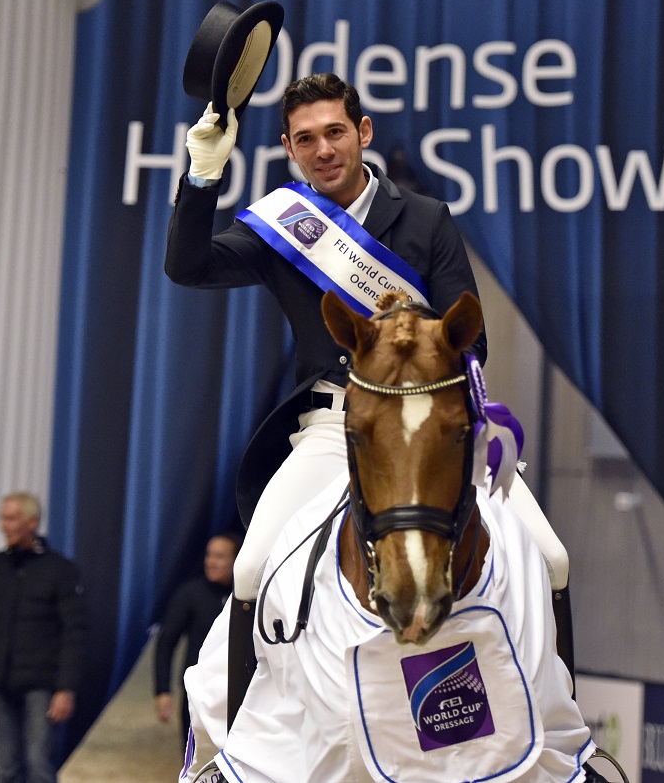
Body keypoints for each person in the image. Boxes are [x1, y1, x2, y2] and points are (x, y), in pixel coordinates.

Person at [165, 73, 567, 780]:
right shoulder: (284, 226)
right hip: (334, 428)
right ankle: (228, 750)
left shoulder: (426, 219)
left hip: (431, 421)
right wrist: (203, 173)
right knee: (254, 564)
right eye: (307, 139)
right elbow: (188, 266)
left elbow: (468, 339)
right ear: (289, 148)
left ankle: (563, 739)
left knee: (552, 554)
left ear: (363, 133)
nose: (324, 149)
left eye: (335, 132)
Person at [0, 491, 88, 783]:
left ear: (32, 522)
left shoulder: (60, 570)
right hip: (0, 682)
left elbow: (74, 632)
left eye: (12, 518)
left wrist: (65, 688)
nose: (4, 525)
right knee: (7, 766)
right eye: (2, 518)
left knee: (37, 764)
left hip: (42, 685)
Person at [153, 532, 240, 745]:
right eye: (209, 555)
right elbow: (166, 642)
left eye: (219, 557)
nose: (211, 562)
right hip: (199, 695)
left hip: (240, 695)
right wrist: (163, 690)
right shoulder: (190, 593)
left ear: (237, 560)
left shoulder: (246, 596)